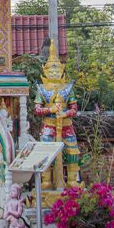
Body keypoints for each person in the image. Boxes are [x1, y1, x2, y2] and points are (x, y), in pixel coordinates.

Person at [34, 39, 80, 188]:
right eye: (51, 70)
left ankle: (72, 180)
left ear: (62, 72)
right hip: (48, 125)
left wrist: (65, 114)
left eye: (57, 70)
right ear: (45, 71)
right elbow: (37, 110)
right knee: (46, 152)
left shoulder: (67, 89)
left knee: (72, 150)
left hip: (66, 125)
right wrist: (50, 110)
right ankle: (46, 180)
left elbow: (74, 109)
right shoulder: (42, 89)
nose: (54, 72)